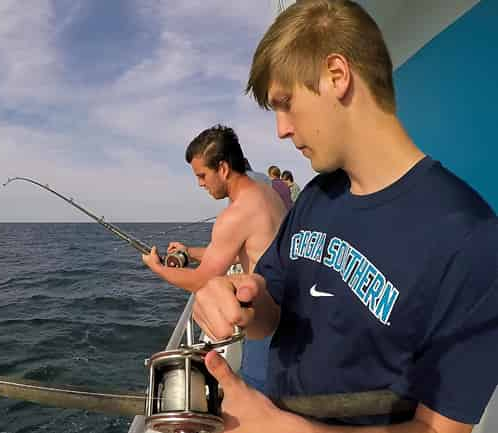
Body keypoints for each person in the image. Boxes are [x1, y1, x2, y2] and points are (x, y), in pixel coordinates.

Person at [191, 1, 498, 432]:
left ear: (337, 76)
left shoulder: (472, 240)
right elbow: (269, 307)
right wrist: (237, 297)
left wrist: (279, 428)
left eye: (286, 103)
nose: (281, 129)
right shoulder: (317, 196)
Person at [142, 125, 287, 391]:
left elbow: (202, 280)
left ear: (222, 168)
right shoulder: (266, 193)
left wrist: (157, 268)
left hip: (268, 324)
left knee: (260, 397)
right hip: (286, 310)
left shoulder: (236, 213)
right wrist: (189, 250)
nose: (200, 183)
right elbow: (238, 247)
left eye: (202, 175)